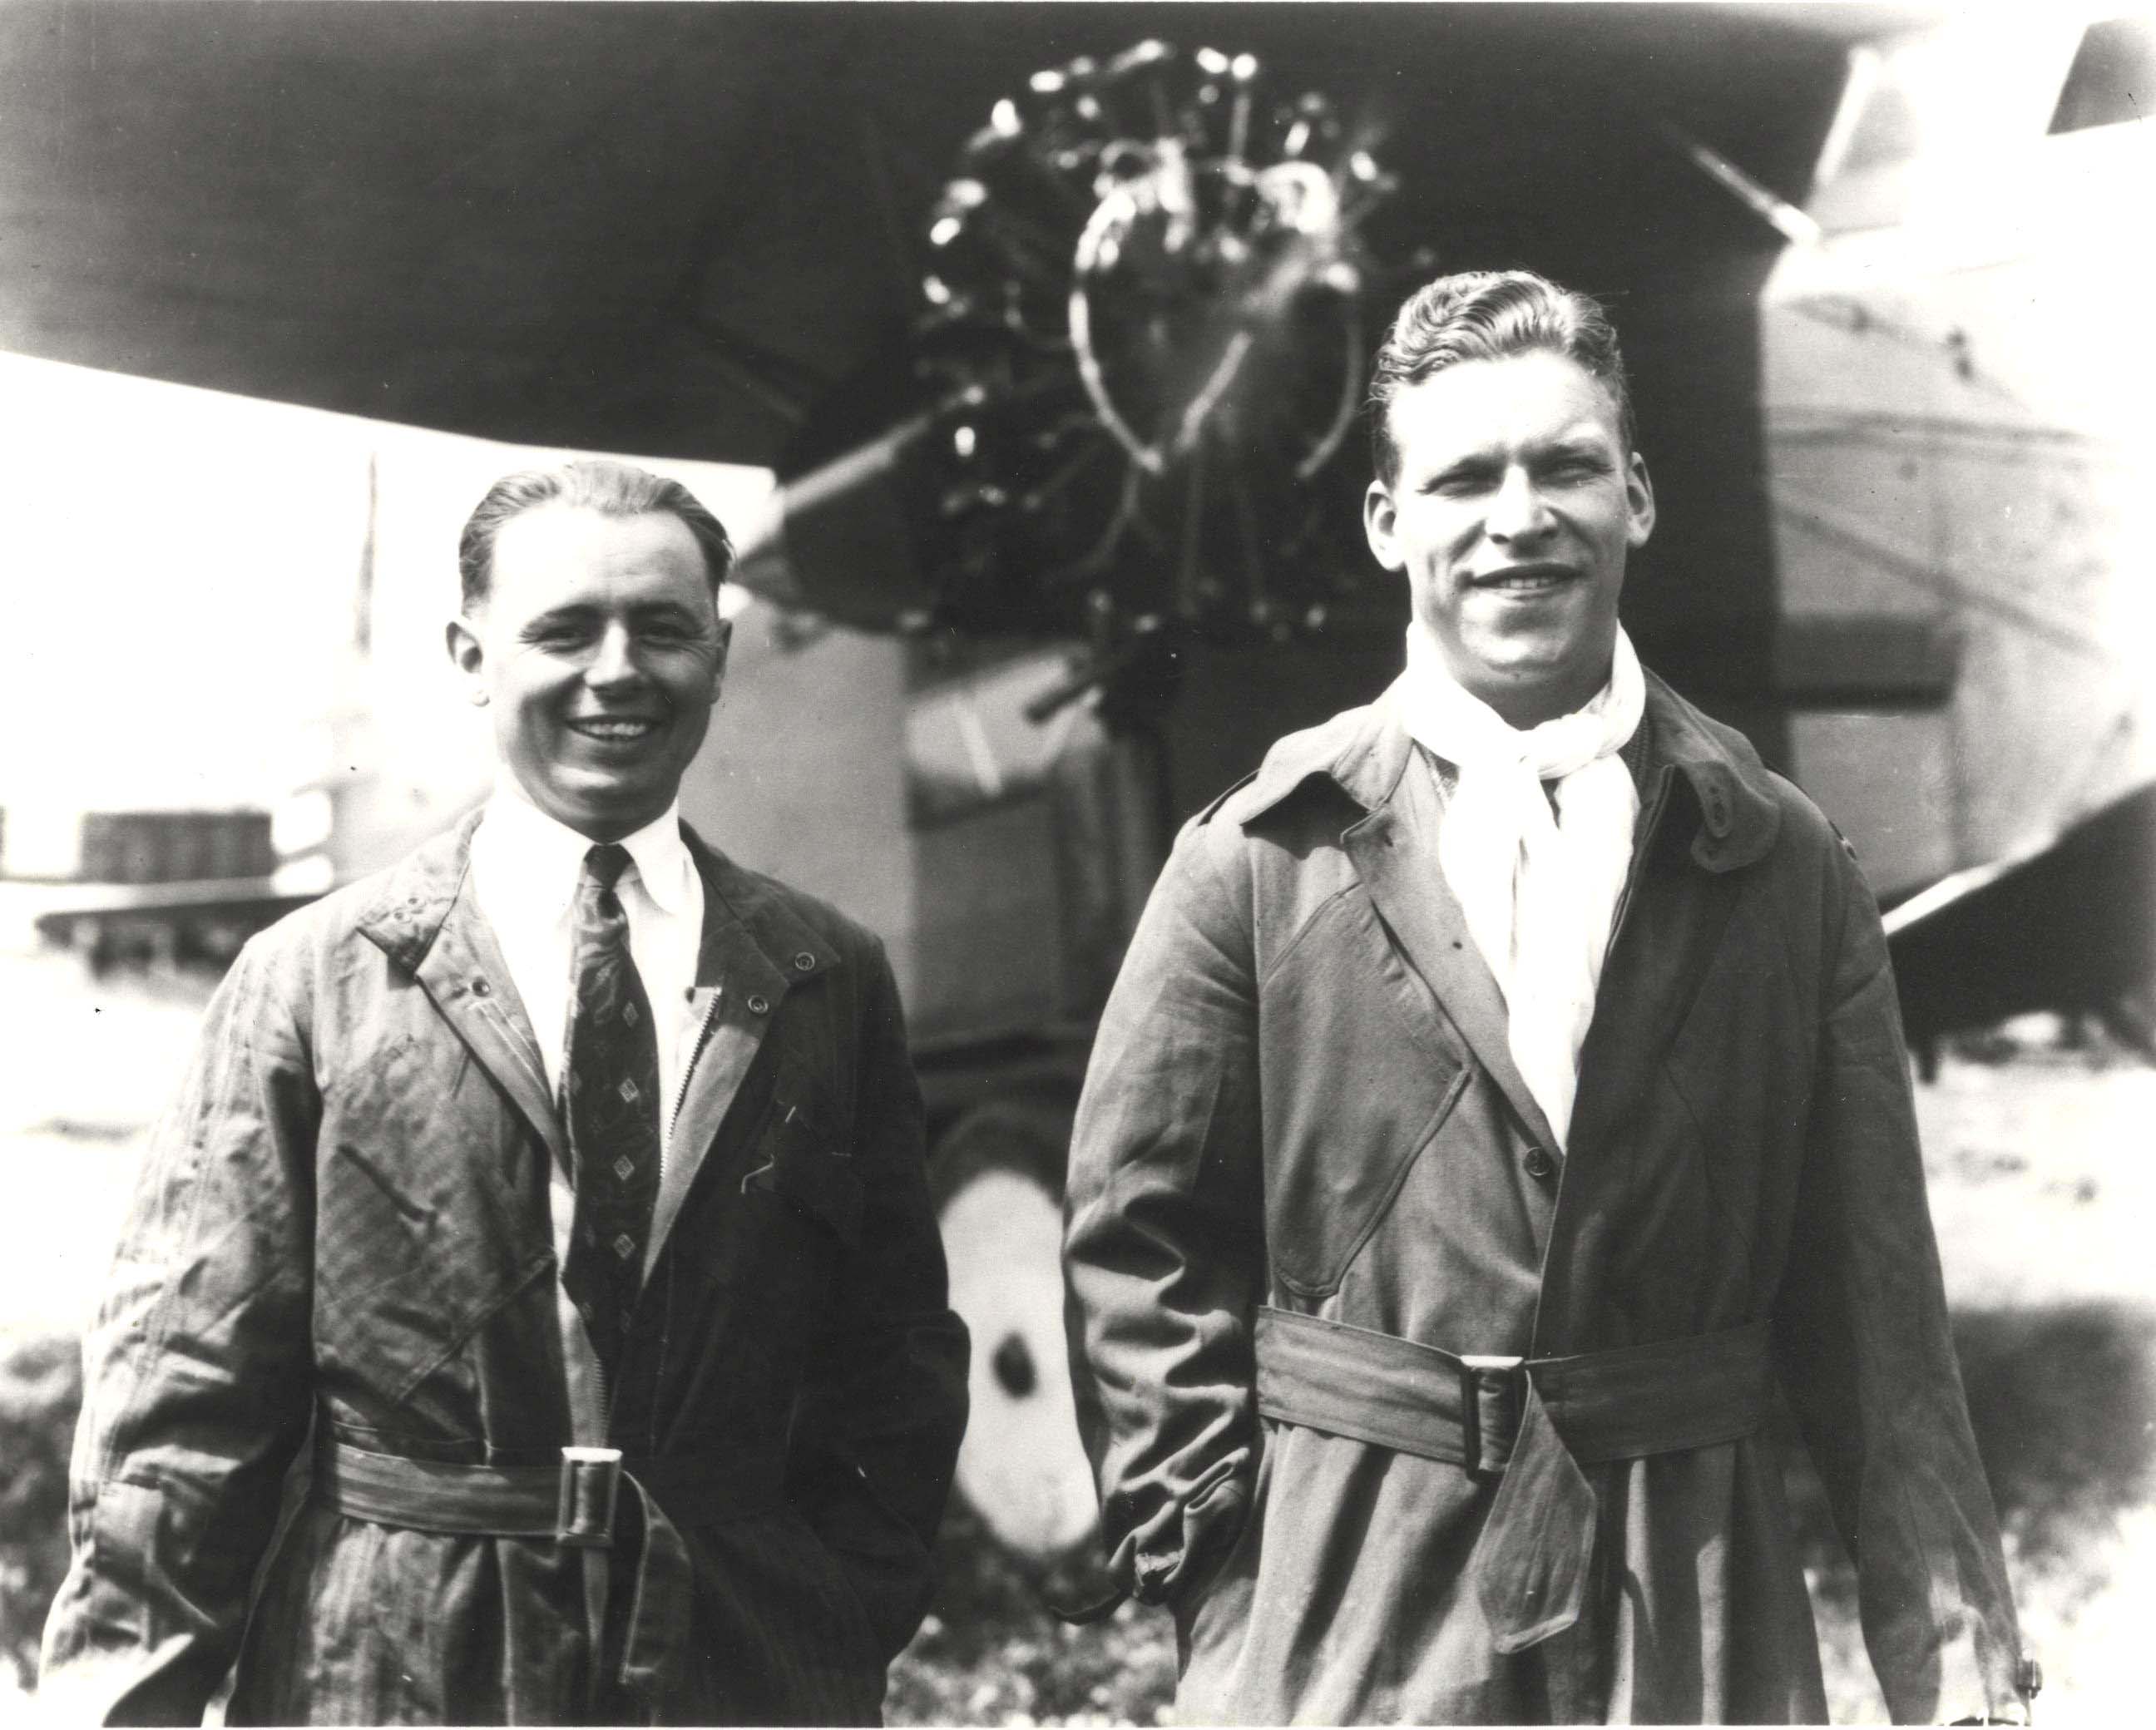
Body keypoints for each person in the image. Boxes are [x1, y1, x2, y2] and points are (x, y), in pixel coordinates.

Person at [1061, 271, 2034, 1723]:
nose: (1519, 517)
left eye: (1566, 467)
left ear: (1635, 497)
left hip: (1692, 1609)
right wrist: (1223, 1599)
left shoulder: (1781, 864)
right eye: (1465, 479)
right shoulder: (1261, 860)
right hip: (1355, 1607)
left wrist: (1957, 1667)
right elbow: (1137, 1247)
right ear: (1389, 522)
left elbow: (1877, 1310)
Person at [42, 459, 969, 1725]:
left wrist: (832, 1614)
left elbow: (893, 1353)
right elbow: (187, 1392)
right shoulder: (315, 980)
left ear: (719, 653)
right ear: (471, 657)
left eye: (662, 628)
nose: (617, 671)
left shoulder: (824, 975)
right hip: (396, 1670)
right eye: (564, 630)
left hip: (734, 1663)